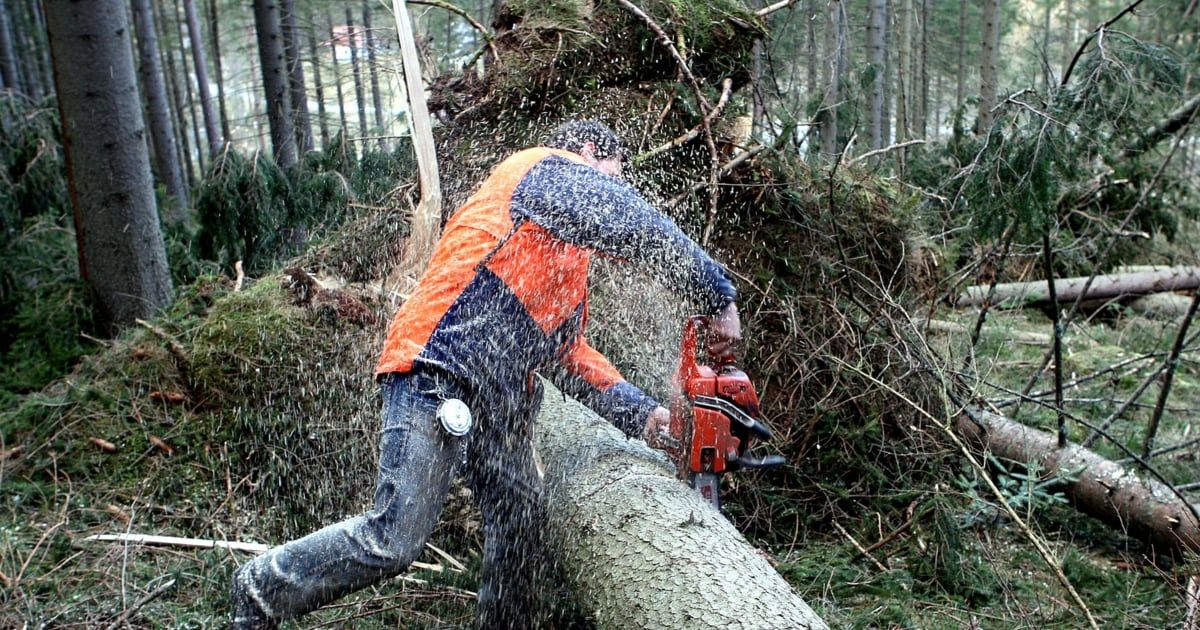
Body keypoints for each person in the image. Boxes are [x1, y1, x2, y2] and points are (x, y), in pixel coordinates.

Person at [230, 120, 741, 629]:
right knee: (394, 538)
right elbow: (620, 215)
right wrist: (716, 294)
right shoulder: (543, 170)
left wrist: (645, 414)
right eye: (611, 177)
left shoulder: (565, 258)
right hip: (438, 368)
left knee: (521, 519)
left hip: (500, 397)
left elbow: (568, 353)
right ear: (586, 153)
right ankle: (262, 587)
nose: (615, 189)